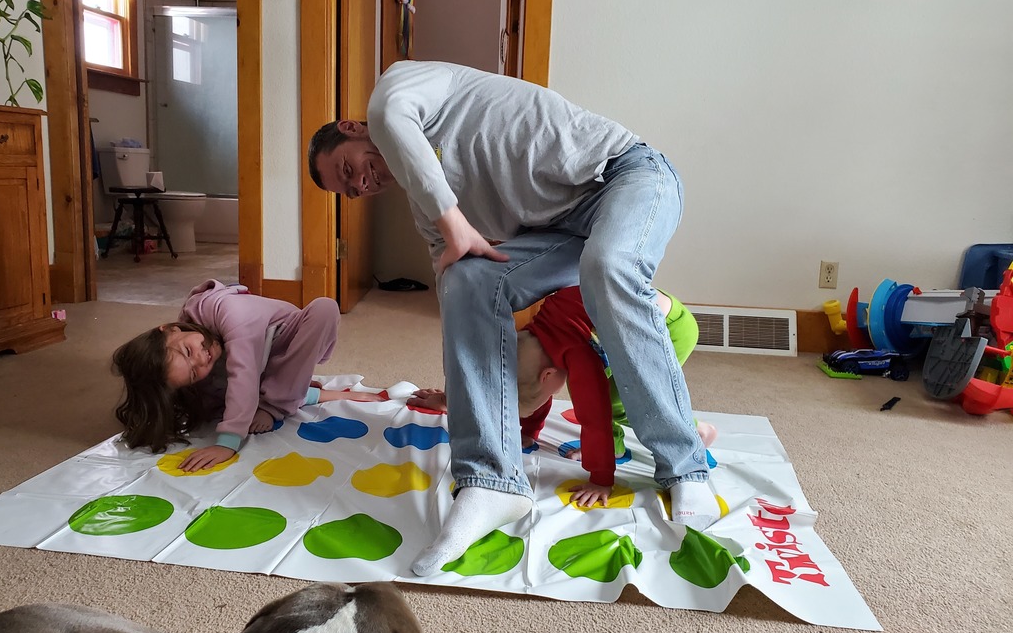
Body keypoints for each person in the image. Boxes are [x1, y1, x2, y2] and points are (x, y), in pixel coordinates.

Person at [308, 60, 718, 576]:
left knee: (609, 265)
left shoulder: (398, 89)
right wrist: (464, 393)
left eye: (349, 168)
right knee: (466, 280)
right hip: (563, 228)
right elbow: (453, 285)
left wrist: (451, 218)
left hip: (628, 175)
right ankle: (490, 481)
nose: (362, 183)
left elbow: (391, 118)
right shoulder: (424, 204)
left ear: (352, 128)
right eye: (351, 191)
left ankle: (683, 465)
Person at [410, 285, 718, 509]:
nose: (555, 394)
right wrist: (528, 434)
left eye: (548, 392)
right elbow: (529, 387)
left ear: (547, 376)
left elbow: (593, 418)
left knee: (622, 403)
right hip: (617, 322)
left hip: (668, 328)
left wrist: (600, 479)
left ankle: (694, 430)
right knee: (610, 393)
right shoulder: (531, 338)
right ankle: (620, 442)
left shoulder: (578, 356)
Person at [112, 279, 384, 472]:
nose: (200, 357)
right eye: (193, 372)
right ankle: (307, 394)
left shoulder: (227, 311)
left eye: (187, 350)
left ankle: (275, 403)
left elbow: (244, 372)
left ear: (171, 329)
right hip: (261, 368)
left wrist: (228, 441)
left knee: (325, 306)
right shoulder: (196, 344)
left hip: (285, 342)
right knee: (207, 399)